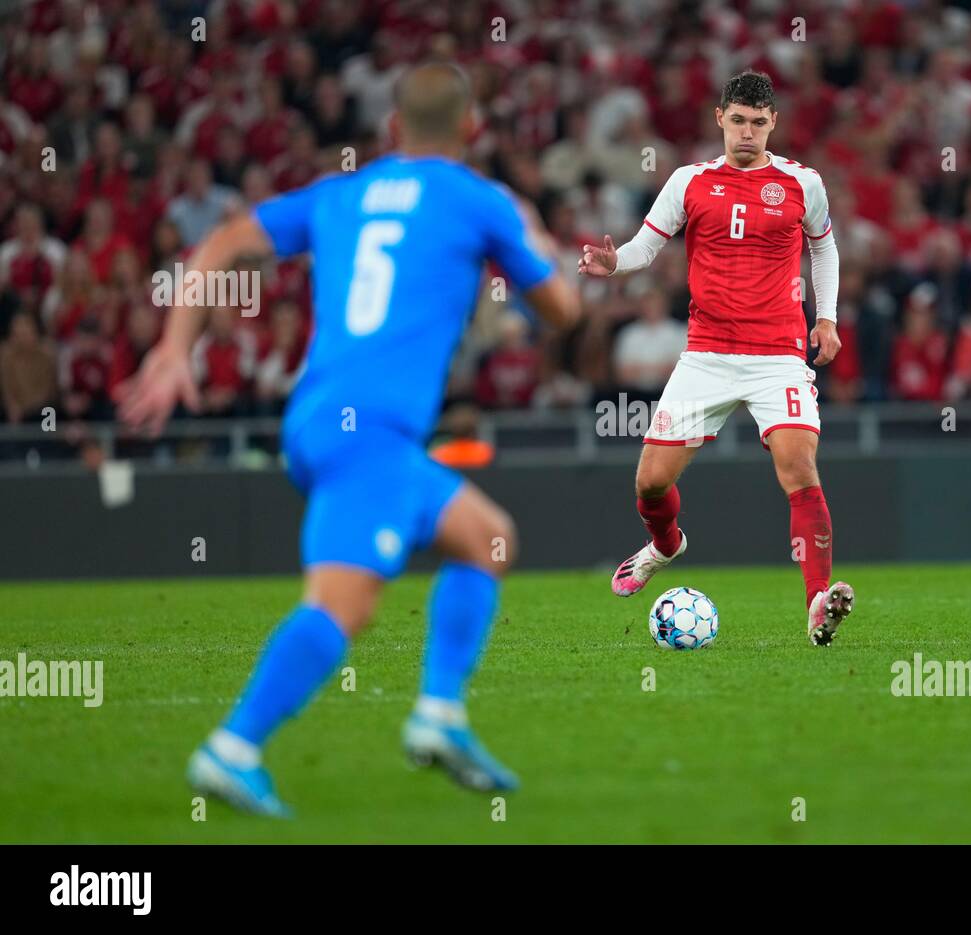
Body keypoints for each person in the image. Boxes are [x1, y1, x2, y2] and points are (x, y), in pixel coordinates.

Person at [121, 63, 580, 816]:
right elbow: (562, 311)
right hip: (371, 429)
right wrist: (532, 236)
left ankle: (440, 715)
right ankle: (233, 747)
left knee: (487, 537)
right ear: (471, 130)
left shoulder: (341, 194)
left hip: (326, 419)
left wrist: (176, 347)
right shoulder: (479, 200)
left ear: (392, 130)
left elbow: (226, 241)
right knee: (343, 605)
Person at [578, 71, 854, 647]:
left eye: (758, 122)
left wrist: (825, 317)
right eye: (738, 121)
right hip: (705, 354)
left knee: (799, 467)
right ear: (719, 119)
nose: (747, 132)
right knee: (651, 484)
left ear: (772, 123)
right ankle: (665, 544)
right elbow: (645, 246)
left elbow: (823, 246)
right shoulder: (689, 182)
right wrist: (615, 264)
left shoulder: (803, 183)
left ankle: (816, 602)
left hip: (778, 355)